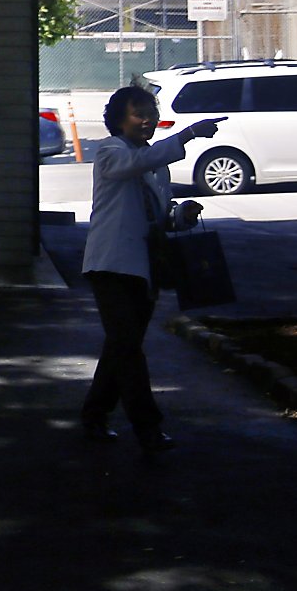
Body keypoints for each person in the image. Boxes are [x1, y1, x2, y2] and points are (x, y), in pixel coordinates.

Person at [80, 85, 223, 453]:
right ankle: (148, 427)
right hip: (111, 264)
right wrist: (188, 134)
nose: (147, 121)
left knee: (121, 347)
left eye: (150, 113)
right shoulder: (111, 151)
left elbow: (158, 219)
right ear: (118, 120)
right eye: (137, 113)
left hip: (144, 269)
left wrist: (182, 216)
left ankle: (94, 414)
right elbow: (134, 166)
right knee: (127, 348)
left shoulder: (153, 161)